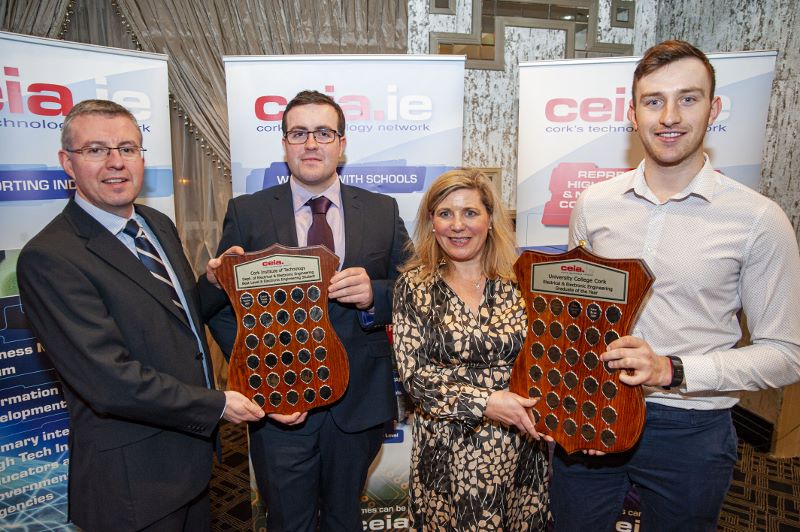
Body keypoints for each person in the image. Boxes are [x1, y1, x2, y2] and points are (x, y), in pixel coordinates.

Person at [551, 40, 800, 530]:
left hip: (692, 428)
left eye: (688, 98)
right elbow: (575, 320)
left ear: (714, 107)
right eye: (653, 101)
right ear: (633, 113)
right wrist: (570, 398)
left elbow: (786, 352)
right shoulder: (594, 205)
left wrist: (672, 369)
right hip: (595, 410)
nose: (669, 116)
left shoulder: (758, 220)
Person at [16, 99, 264, 532]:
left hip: (191, 465)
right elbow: (109, 381)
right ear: (67, 163)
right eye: (96, 150)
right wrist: (218, 403)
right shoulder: (51, 257)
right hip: (132, 485)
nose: (116, 163)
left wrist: (215, 282)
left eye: (127, 149)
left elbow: (177, 317)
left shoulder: (155, 223)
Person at [199, 90, 410, 531]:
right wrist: (252, 362)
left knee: (343, 518)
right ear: (284, 144)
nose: (311, 143)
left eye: (323, 132)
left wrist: (377, 294)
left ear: (342, 143)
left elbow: (416, 292)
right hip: (279, 404)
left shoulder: (381, 210)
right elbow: (217, 305)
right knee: (288, 522)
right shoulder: (248, 212)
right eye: (299, 133)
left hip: (357, 403)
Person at [392, 168, 551, 530]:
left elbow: (545, 359)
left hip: (518, 450)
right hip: (446, 452)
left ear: (490, 220)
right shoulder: (414, 286)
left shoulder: (523, 281)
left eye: (470, 213)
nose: (457, 225)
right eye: (445, 213)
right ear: (431, 222)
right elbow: (416, 378)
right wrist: (487, 403)